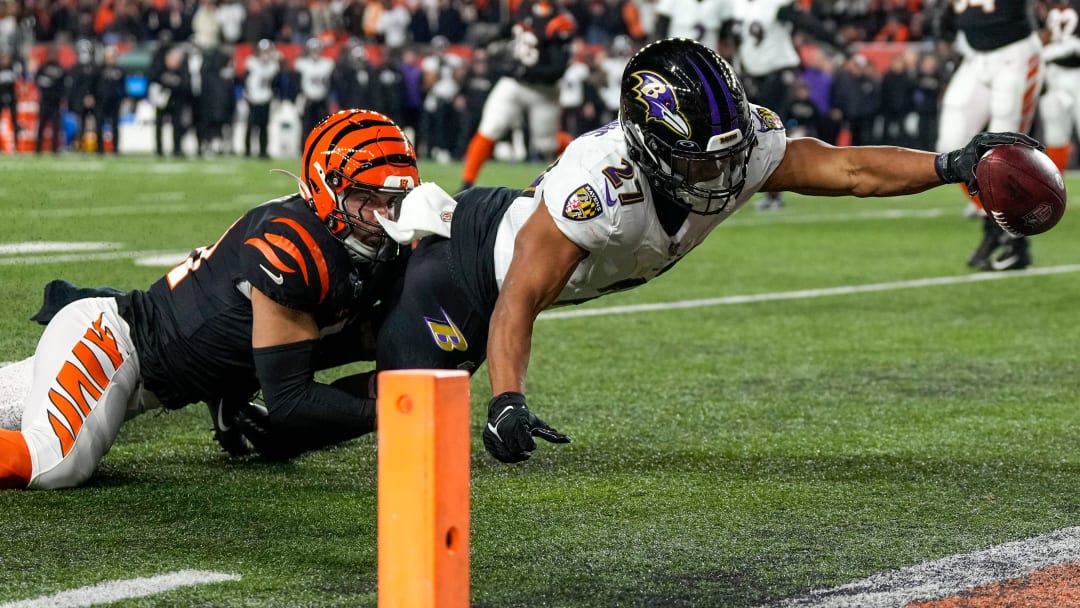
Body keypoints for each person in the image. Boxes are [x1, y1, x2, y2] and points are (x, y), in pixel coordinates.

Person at [362, 38, 1043, 464]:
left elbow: (848, 170)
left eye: (730, 156)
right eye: (698, 163)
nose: (721, 176)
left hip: (510, 274)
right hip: (467, 265)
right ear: (650, 148)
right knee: (395, 411)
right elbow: (518, 298)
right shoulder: (598, 185)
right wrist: (508, 397)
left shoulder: (733, 144)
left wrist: (951, 163)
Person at [0, 109, 419, 489]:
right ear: (327, 189)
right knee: (54, 462)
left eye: (394, 201)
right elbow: (291, 402)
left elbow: (358, 334)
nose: (383, 217)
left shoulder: (377, 248)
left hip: (144, 370)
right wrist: (401, 409)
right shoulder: (292, 244)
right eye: (366, 199)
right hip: (114, 347)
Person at [934, 0, 1044, 271]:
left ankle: (1010, 238)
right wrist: (945, 36)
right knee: (950, 145)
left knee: (1006, 150)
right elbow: (948, 17)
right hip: (975, 58)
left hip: (1015, 55)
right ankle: (998, 219)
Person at [459, 0, 577, 188]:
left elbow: (557, 69)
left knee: (546, 145)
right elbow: (511, 27)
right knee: (490, 127)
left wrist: (524, 71)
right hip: (514, 84)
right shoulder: (523, 6)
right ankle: (466, 184)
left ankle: (581, 159)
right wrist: (493, 37)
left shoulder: (561, 21)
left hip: (543, 91)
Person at [1038, 1, 1080, 174]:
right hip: (1052, 75)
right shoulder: (1044, 6)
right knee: (1055, 133)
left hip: (1072, 70)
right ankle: (1054, 183)